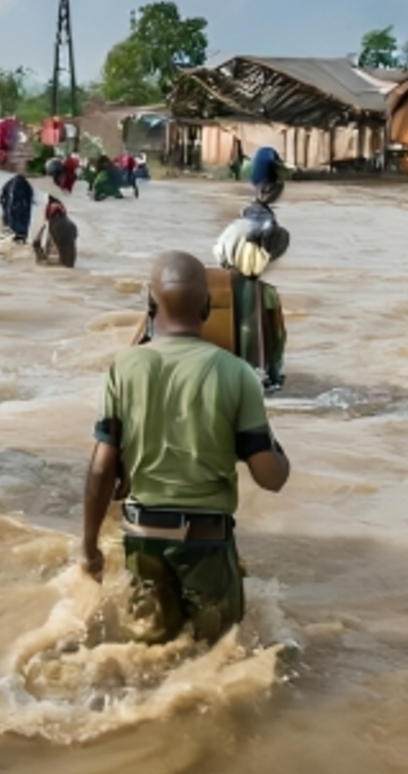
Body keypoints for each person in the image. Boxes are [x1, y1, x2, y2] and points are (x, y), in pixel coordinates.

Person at [82, 252, 290, 645]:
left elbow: (100, 470)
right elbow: (270, 477)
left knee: (147, 650)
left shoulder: (122, 369)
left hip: (141, 537)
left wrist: (89, 545)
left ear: (150, 302)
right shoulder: (237, 373)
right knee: (218, 655)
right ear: (208, 306)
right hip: (206, 543)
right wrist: (276, 452)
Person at [33, 196, 77, 267]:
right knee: (68, 264)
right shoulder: (61, 210)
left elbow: (36, 243)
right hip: (69, 226)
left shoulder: (48, 210)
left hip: (56, 227)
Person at [0, 173, 35, 244]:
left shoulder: (12, 182)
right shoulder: (23, 184)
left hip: (13, 218)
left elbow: (2, 199)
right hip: (18, 221)